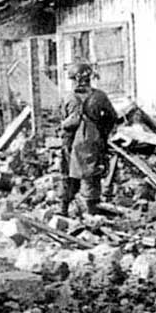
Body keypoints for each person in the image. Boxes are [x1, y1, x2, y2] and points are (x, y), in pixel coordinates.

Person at [57, 64, 119, 216]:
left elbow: (61, 119)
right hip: (92, 141)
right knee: (91, 174)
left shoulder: (68, 97)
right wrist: (102, 133)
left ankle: (63, 209)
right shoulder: (99, 96)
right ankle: (92, 212)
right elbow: (112, 117)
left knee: (67, 173)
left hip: (70, 142)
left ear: (73, 80)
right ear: (90, 78)